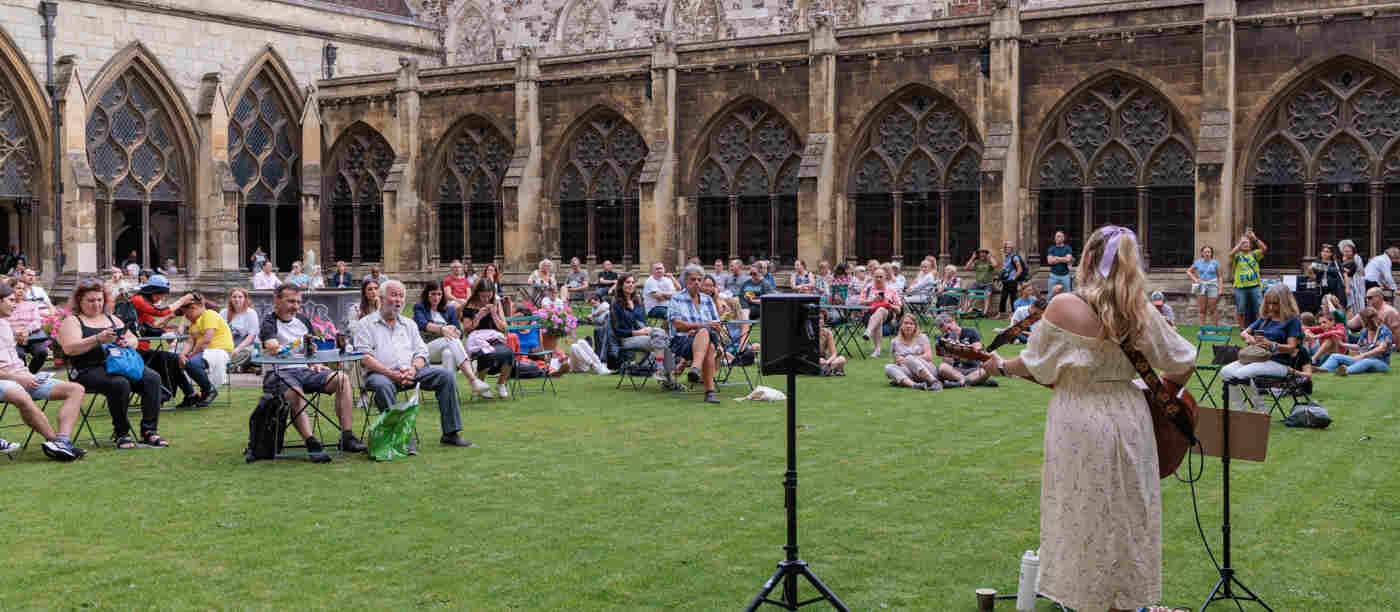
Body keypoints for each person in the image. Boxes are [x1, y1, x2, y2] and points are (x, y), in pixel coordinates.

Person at [978, 225, 1197, 612]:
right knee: (1127, 512)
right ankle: (1124, 603)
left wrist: (999, 366)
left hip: (1079, 416)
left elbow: (1035, 365)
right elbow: (1184, 361)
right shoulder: (1140, 310)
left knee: (1081, 510)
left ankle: (1085, 599)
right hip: (1130, 414)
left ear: (1090, 259)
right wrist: (1158, 392)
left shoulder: (1064, 305)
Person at [355, 280, 473, 448]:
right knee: (382, 386)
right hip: (381, 374)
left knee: (446, 377)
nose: (398, 300)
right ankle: (402, 440)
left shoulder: (409, 324)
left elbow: (422, 352)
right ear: (381, 298)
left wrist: (413, 368)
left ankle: (451, 433)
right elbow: (365, 357)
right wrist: (391, 373)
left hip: (411, 371)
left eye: (401, 296)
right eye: (393, 295)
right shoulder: (366, 324)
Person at [57, 278, 169, 449]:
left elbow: (133, 340)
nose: (96, 304)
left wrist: (126, 342)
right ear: (80, 301)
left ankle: (149, 431)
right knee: (119, 383)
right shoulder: (72, 321)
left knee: (152, 378)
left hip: (119, 364)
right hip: (88, 370)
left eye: (99, 300)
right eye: (91, 300)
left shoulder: (113, 319)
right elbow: (69, 349)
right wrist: (97, 339)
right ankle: (121, 433)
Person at [259, 285, 362, 461]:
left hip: (305, 370)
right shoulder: (269, 322)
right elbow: (272, 347)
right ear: (277, 300)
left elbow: (311, 349)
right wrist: (295, 346)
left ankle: (347, 436)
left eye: (298, 302)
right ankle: (311, 442)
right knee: (296, 391)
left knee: (342, 379)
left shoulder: (303, 321)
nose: (296, 306)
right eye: (291, 301)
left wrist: (316, 363)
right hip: (279, 373)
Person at [0, 283, 86, 460]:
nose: (14, 304)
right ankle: (54, 442)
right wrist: (16, 378)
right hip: (5, 380)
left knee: (76, 389)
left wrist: (24, 376)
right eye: (10, 300)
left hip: (24, 376)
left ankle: (62, 441)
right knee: (20, 395)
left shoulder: (5, 325)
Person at [1220, 283, 1303, 408]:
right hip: (1256, 358)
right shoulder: (1265, 319)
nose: (1270, 307)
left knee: (1240, 375)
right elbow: (1244, 333)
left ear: (1285, 302)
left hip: (1280, 363)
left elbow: (1292, 348)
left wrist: (1271, 344)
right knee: (1225, 371)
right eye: (1268, 302)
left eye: (1275, 303)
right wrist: (1251, 339)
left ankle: (1259, 410)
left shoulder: (1292, 321)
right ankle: (1239, 410)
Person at [129, 274, 200, 408]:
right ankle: (175, 394)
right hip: (134, 351)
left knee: (173, 359)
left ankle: (189, 395)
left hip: (142, 348)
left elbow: (152, 327)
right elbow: (160, 312)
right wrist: (182, 300)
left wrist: (165, 329)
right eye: (161, 295)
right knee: (171, 359)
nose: (162, 298)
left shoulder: (144, 302)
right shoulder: (138, 300)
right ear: (153, 292)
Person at [413, 284, 491, 396]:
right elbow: (422, 324)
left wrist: (456, 331)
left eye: (439, 294)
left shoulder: (449, 309)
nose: (436, 297)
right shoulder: (419, 307)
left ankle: (449, 392)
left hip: (447, 346)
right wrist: (442, 329)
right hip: (427, 349)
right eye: (433, 294)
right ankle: (472, 379)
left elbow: (460, 332)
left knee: (449, 353)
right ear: (427, 294)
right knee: (451, 339)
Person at [668, 264, 723, 404]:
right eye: (693, 279)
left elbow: (717, 326)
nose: (697, 282)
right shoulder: (676, 298)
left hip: (703, 339)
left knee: (705, 334)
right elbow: (677, 325)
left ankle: (695, 368)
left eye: (699, 279)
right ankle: (709, 392)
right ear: (686, 281)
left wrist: (698, 330)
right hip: (682, 343)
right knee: (709, 345)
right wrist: (698, 328)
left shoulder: (707, 300)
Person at [610, 273, 673, 386]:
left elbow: (643, 322)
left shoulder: (637, 301)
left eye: (633, 282)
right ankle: (666, 377)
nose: (631, 285)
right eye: (628, 282)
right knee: (664, 342)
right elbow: (617, 331)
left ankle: (663, 375)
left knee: (661, 335)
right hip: (627, 339)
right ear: (621, 285)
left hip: (644, 336)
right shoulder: (616, 304)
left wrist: (646, 329)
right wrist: (638, 332)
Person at [459, 278, 513, 398]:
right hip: (476, 339)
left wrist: (494, 314)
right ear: (477, 293)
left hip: (494, 336)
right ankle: (481, 383)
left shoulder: (496, 303)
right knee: (486, 354)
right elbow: (467, 330)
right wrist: (478, 317)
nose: (486, 299)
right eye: (483, 296)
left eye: (488, 296)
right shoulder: (469, 305)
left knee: (509, 352)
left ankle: (501, 383)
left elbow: (504, 328)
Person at [176, 293, 230, 407]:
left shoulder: (209, 314)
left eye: (186, 314)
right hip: (205, 352)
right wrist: (182, 354)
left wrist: (191, 355)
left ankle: (208, 390)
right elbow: (190, 342)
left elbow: (207, 339)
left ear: (193, 308)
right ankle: (191, 395)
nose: (186, 317)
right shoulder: (194, 323)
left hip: (218, 351)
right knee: (175, 363)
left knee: (192, 363)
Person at [1320, 307, 1393, 375]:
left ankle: (1346, 371)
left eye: (1361, 319)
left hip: (1381, 363)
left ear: (1367, 320)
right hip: (1362, 359)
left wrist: (1363, 355)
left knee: (1366, 361)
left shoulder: (1384, 330)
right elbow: (1359, 346)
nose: (1360, 321)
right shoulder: (1365, 331)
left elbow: (1381, 348)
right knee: (1334, 356)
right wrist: (1342, 344)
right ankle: (1322, 369)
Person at [883, 313, 941, 390]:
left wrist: (911, 359)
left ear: (915, 326)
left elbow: (929, 356)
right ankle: (915, 385)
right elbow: (896, 360)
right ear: (901, 325)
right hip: (909, 372)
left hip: (927, 369)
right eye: (906, 323)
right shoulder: (895, 341)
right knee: (888, 367)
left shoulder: (922, 337)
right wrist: (898, 360)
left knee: (909, 358)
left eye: (911, 324)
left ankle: (934, 382)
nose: (908, 326)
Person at [933, 313, 992, 387]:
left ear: (953, 321)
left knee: (988, 369)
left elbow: (978, 349)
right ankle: (969, 381)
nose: (948, 332)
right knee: (942, 367)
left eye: (949, 329)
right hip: (956, 371)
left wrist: (966, 348)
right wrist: (948, 349)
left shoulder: (971, 331)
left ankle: (960, 382)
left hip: (973, 368)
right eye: (945, 332)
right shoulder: (946, 338)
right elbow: (948, 363)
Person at [8, 278, 49, 373]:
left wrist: (27, 330)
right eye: (18, 288)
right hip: (13, 337)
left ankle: (31, 374)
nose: (21, 291)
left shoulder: (31, 304)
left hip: (32, 335)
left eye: (23, 289)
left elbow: (37, 321)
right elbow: (4, 321)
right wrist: (16, 332)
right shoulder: (6, 305)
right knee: (19, 355)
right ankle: (23, 375)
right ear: (11, 289)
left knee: (42, 352)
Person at [860, 267, 902, 359]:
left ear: (885, 277)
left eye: (880, 277)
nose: (878, 279)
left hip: (887, 315)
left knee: (881, 310)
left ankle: (868, 331)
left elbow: (899, 310)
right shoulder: (868, 289)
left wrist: (889, 304)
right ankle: (877, 350)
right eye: (876, 277)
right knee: (877, 318)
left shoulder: (892, 290)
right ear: (873, 277)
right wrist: (871, 300)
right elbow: (859, 302)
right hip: (869, 314)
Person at [1230, 229, 1268, 328]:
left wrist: (1254, 238)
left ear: (1251, 245)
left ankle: (1260, 328)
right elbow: (1231, 254)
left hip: (1255, 286)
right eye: (1243, 243)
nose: (1245, 244)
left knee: (1259, 308)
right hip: (1240, 287)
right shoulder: (1237, 256)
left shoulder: (1254, 254)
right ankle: (1242, 328)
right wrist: (1239, 244)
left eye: (1247, 243)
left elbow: (1264, 249)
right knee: (1241, 309)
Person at [220, 288, 260, 371]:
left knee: (248, 353)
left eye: (240, 297)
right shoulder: (224, 312)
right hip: (228, 345)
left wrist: (237, 349)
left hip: (245, 346)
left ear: (245, 299)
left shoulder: (251, 313)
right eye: (234, 297)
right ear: (230, 299)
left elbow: (252, 336)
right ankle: (235, 366)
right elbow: (219, 332)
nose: (237, 299)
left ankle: (227, 366)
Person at [1187, 245, 1221, 327]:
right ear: (1202, 253)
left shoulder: (1215, 263)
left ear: (1211, 253)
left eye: (1209, 252)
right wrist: (1195, 279)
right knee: (1202, 309)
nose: (1207, 253)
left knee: (1212, 308)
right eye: (1205, 252)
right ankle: (1202, 328)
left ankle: (1214, 328)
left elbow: (1219, 277)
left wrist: (1220, 289)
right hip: (1201, 285)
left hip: (1212, 285)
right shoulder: (1198, 262)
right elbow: (1188, 271)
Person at [998, 241, 1026, 318]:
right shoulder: (1006, 257)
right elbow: (1005, 268)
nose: (1008, 249)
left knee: (1013, 297)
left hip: (1012, 281)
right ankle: (1001, 313)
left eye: (1010, 247)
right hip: (1006, 280)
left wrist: (1014, 278)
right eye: (1007, 247)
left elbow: (1020, 269)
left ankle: (1013, 314)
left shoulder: (1015, 257)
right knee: (1003, 297)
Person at [966, 248, 997, 315]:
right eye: (980, 253)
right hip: (977, 283)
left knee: (987, 295)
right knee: (971, 295)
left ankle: (984, 313)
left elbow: (995, 265)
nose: (982, 254)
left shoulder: (989, 262)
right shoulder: (977, 262)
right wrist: (972, 258)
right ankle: (967, 310)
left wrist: (990, 257)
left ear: (986, 254)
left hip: (988, 283)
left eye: (984, 253)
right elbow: (967, 268)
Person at [1339, 239, 1367, 313]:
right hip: (1347, 282)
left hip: (1356, 281)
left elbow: (1360, 271)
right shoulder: (1342, 259)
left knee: (1358, 300)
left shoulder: (1356, 258)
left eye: (1349, 251)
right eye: (1345, 251)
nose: (1347, 253)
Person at [816, 309, 846, 376]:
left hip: (825, 361)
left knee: (842, 359)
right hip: (814, 361)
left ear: (824, 321)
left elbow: (834, 353)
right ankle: (833, 370)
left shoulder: (827, 333)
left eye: (821, 319)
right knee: (820, 361)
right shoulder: (808, 333)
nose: (819, 321)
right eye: (817, 319)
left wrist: (827, 362)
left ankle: (827, 370)